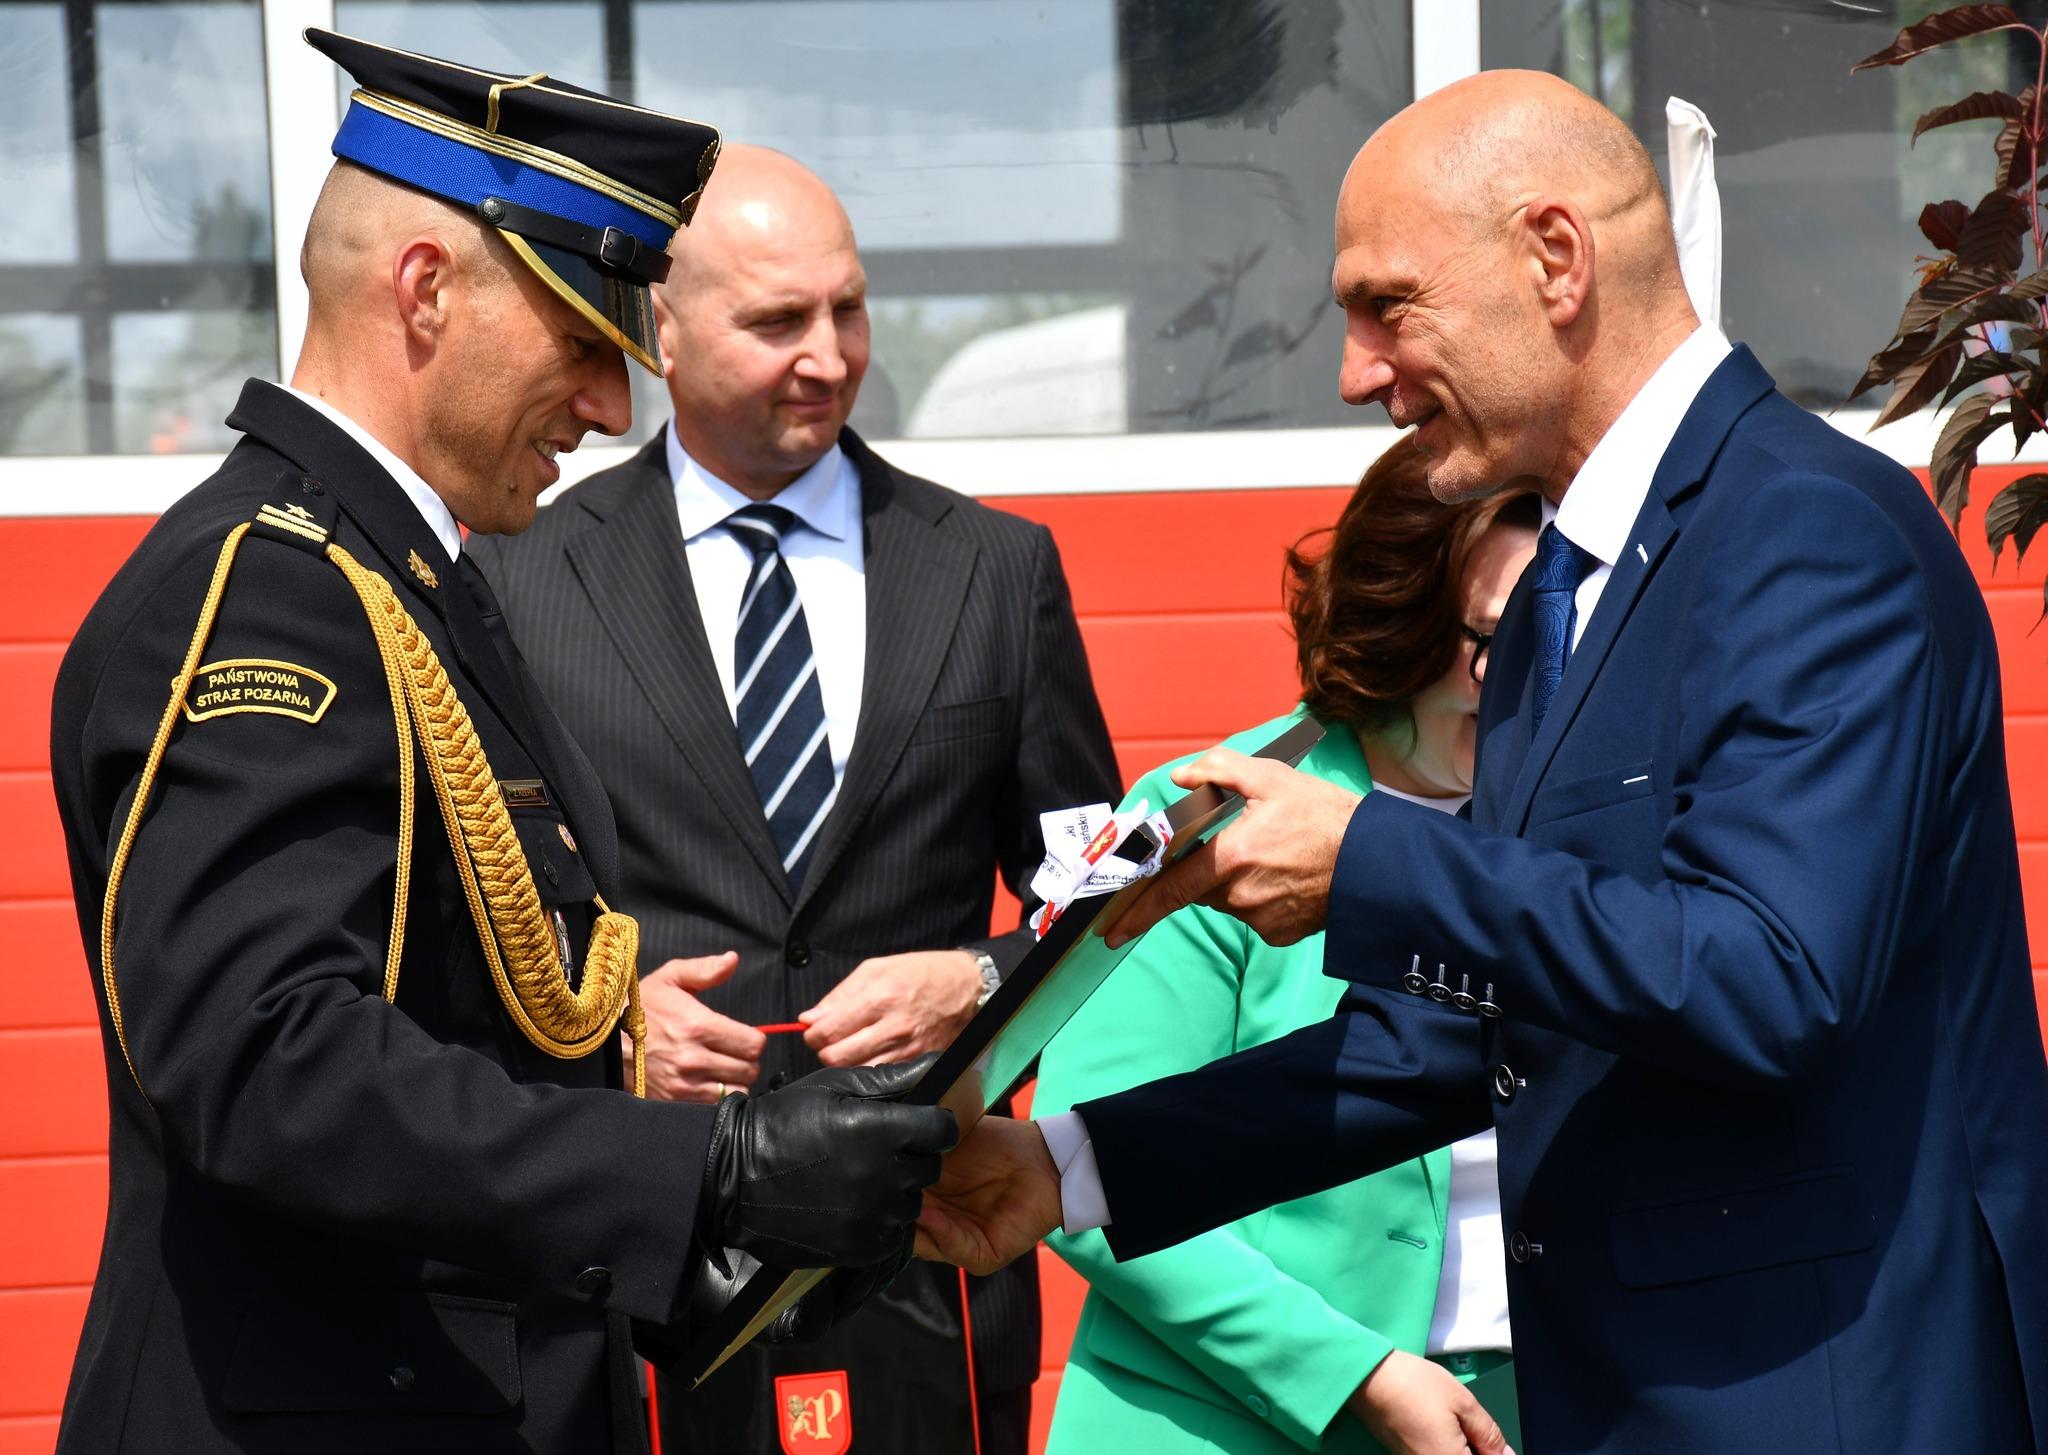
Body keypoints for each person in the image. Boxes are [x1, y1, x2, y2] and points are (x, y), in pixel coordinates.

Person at [917, 69, 2048, 1454]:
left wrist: (1369, 863)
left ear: (1554, 259)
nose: (1355, 372)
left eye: (1387, 304)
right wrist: (1070, 1167)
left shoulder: (1807, 531)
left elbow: (1771, 976)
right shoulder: (1565, 595)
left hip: (1818, 1403)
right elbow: (1474, 1029)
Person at [48, 32, 957, 1455]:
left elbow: (462, 1016)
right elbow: (270, 1060)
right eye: (583, 343)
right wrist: (704, 1171)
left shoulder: (403, 576)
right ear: (424, 290)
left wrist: (677, 1207)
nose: (611, 410)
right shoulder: (273, 592)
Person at [471, 143, 1118, 1454]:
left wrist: (981, 980)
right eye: (777, 321)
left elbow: (1103, 894)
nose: (829, 355)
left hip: (925, 1252)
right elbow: (468, 914)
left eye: (849, 309)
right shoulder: (520, 578)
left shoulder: (994, 570)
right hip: (647, 1255)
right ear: (661, 329)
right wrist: (606, 1027)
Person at [1034, 437, 1536, 1455]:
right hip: (1216, 1420)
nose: (1521, 678)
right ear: (1393, 617)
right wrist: (1349, 1369)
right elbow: (1073, 1157)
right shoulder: (1200, 818)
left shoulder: (1590, 832)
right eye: (1491, 638)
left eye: (1553, 635)